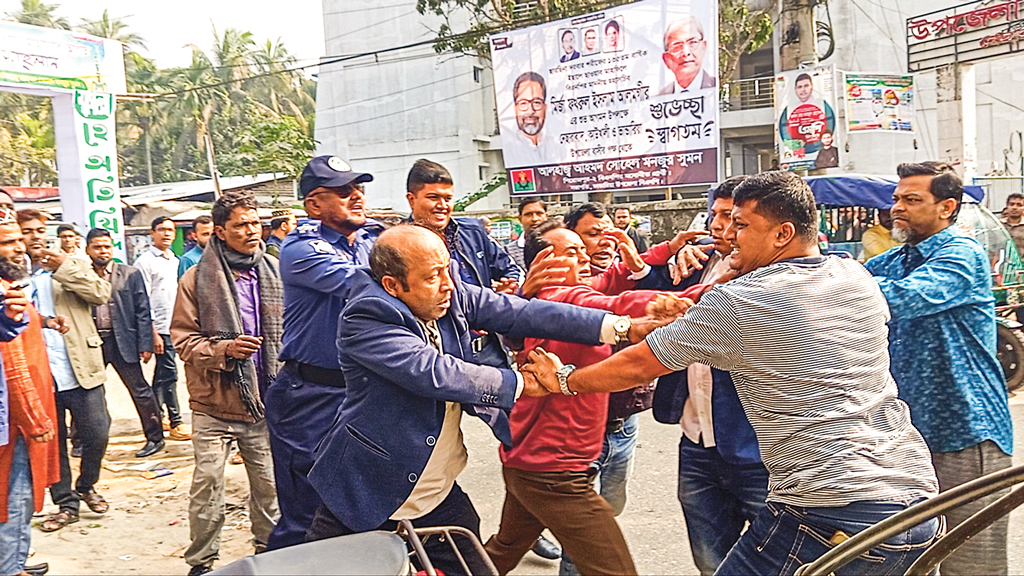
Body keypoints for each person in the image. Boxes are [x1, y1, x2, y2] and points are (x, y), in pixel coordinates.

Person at [524, 171, 942, 576]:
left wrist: (564, 380)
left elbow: (639, 363)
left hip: (828, 509)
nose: (728, 234)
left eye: (741, 224)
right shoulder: (851, 274)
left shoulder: (741, 299)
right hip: (916, 502)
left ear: (782, 234)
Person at [306, 225, 665, 575]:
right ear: (393, 285)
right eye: (432, 276)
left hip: (436, 491)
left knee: (477, 565)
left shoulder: (448, 292)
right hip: (368, 490)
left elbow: (523, 313)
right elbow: (434, 372)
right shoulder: (366, 315)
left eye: (447, 269)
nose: (448, 284)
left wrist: (621, 327)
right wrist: (523, 383)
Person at [484, 220, 704, 576]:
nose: (585, 257)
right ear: (544, 262)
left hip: (529, 462)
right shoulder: (564, 298)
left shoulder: (545, 299)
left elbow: (614, 280)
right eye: (572, 251)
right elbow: (618, 301)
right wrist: (705, 295)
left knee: (500, 553)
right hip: (555, 472)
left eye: (583, 250)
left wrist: (667, 254)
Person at [864, 161, 1013, 576]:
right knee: (910, 557)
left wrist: (837, 284)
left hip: (965, 429)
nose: (898, 208)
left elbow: (903, 298)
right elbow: (850, 279)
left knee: (971, 565)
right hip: (906, 437)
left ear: (946, 207)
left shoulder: (961, 255)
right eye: (896, 199)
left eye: (912, 200)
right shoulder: (894, 260)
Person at [263, 155, 384, 550]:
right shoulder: (302, 249)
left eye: (359, 189)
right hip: (312, 397)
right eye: (343, 192)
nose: (357, 197)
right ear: (314, 205)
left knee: (363, 505)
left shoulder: (372, 241)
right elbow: (366, 286)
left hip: (362, 395)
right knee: (308, 516)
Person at [650, 176, 769, 576]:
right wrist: (668, 259)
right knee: (709, 559)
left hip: (759, 449)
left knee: (776, 559)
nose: (719, 226)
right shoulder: (694, 260)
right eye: (715, 215)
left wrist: (568, 381)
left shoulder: (776, 275)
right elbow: (642, 294)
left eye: (732, 218)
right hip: (697, 441)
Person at [172, 191, 281, 576]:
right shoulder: (196, 279)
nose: (252, 231)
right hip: (213, 404)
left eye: (255, 223)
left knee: (268, 487)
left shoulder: (273, 270)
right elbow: (183, 340)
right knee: (207, 488)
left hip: (263, 403)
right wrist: (226, 350)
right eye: (241, 225)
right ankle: (201, 562)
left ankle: (268, 553)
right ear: (220, 231)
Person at [18, 210, 113, 534]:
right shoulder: (13, 274)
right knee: (52, 441)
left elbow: (101, 294)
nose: (35, 236)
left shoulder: (70, 263)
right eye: (27, 230)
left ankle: (87, 484)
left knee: (98, 432)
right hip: (37, 372)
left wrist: (64, 268)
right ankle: (66, 503)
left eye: (40, 230)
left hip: (79, 366)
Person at [405, 159, 522, 368]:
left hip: (487, 350)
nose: (442, 206)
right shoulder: (398, 242)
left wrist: (507, 289)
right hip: (435, 355)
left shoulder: (473, 232)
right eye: (433, 198)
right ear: (412, 199)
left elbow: (512, 269)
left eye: (448, 198)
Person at [0, 209, 54, 576]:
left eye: (20, 240)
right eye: (8, 243)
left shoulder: (11, 289)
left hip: (16, 415)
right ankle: (10, 567)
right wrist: (35, 419)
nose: (20, 248)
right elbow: (13, 364)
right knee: (12, 495)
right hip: (14, 419)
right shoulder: (6, 296)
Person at [85, 228, 164, 458]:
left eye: (107, 246)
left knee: (141, 391)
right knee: (88, 392)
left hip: (123, 341)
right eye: (97, 247)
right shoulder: (82, 275)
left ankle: (155, 438)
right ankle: (82, 441)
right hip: (92, 343)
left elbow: (142, 310)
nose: (103, 251)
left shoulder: (129, 273)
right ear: (88, 249)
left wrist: (146, 343)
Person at [135, 216, 190, 442]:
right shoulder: (145, 262)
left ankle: (157, 415)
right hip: (159, 326)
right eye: (162, 230)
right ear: (152, 233)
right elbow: (143, 299)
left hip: (176, 323)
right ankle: (176, 421)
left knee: (162, 375)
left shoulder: (174, 260)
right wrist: (152, 331)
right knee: (170, 374)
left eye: (171, 230)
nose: (167, 234)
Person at [657, 16, 716, 95]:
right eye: (677, 46)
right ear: (666, 59)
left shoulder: (716, 86)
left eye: (692, 43)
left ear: (704, 46)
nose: (686, 52)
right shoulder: (660, 97)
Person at [504, 198, 548, 270]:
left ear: (546, 216)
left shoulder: (558, 245)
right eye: (528, 214)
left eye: (539, 213)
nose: (534, 219)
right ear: (520, 219)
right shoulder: (508, 251)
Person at [513, 72, 547, 147]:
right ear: (515, 109)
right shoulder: (510, 148)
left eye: (536, 102)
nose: (530, 111)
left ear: (545, 108)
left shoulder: (557, 147)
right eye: (523, 103)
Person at [1000, 192, 1024, 257]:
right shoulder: (999, 226)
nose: (1014, 207)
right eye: (1012, 204)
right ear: (1007, 206)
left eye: (1019, 205)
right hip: (1003, 265)